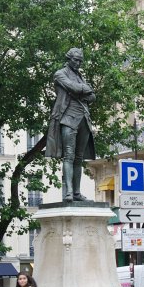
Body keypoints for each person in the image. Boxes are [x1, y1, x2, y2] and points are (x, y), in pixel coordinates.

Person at [45, 48, 96, 202]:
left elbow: (93, 96)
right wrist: (84, 90)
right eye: (76, 60)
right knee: (69, 156)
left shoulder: (80, 76)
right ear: (69, 59)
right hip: (68, 118)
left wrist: (84, 91)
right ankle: (68, 192)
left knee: (79, 158)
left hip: (83, 119)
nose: (78, 63)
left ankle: (77, 193)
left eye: (80, 60)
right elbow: (74, 88)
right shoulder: (60, 74)